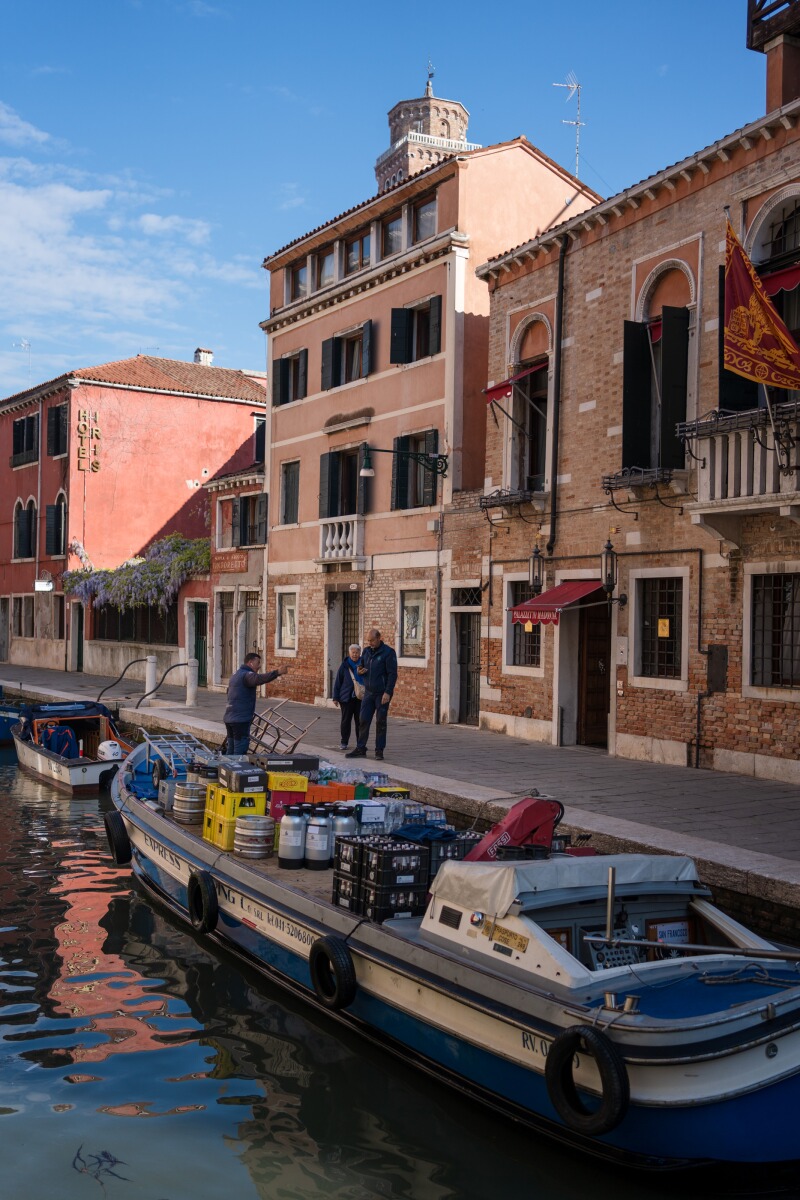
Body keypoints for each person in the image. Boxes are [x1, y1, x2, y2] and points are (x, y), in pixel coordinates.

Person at [346, 628, 397, 760]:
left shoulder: (388, 653)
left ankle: (379, 750)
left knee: (380, 721)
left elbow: (392, 674)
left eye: (372, 640)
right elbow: (361, 666)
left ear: (379, 638)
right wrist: (360, 670)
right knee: (363, 720)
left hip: (382, 693)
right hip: (368, 692)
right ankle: (361, 748)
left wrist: (388, 692)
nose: (370, 643)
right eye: (368, 641)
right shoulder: (367, 652)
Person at [223, 652, 288, 755]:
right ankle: (236, 769)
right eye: (258, 663)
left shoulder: (235, 675)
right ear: (250, 663)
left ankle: (224, 769)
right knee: (240, 751)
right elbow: (259, 679)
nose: (259, 666)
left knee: (230, 749)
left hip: (229, 717)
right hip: (240, 720)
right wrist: (277, 672)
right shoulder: (247, 675)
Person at [332, 643, 363, 751]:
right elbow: (338, 681)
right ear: (349, 653)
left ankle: (360, 743)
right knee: (346, 721)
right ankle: (344, 742)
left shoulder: (364, 664)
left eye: (357, 652)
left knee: (360, 721)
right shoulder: (344, 665)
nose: (355, 654)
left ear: (360, 653)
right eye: (353, 652)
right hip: (346, 698)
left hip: (360, 698)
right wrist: (335, 697)